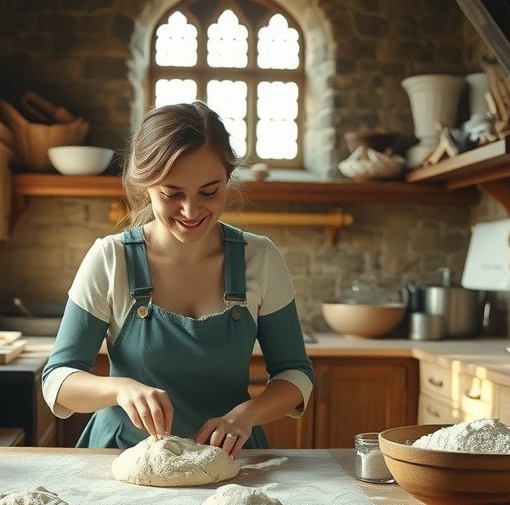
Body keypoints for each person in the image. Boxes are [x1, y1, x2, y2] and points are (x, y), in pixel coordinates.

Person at [41, 101, 314, 458]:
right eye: (171, 194)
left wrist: (246, 415)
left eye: (209, 192)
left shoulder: (260, 258)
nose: (190, 210)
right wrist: (120, 389)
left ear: (228, 180)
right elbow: (58, 378)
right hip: (121, 460)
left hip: (229, 461)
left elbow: (295, 374)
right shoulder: (110, 258)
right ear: (146, 186)